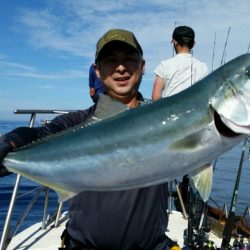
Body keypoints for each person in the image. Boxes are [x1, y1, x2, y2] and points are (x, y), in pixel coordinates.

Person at [0, 29, 180, 250]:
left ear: (142, 65)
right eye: (111, 60)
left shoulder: (164, 119)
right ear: (97, 70)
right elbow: (37, 135)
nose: (121, 67)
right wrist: (10, 143)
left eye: (129, 60)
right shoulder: (77, 122)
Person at [152, 26, 208, 100]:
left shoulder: (164, 65)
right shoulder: (203, 67)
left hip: (169, 110)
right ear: (193, 44)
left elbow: (155, 97)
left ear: (175, 42)